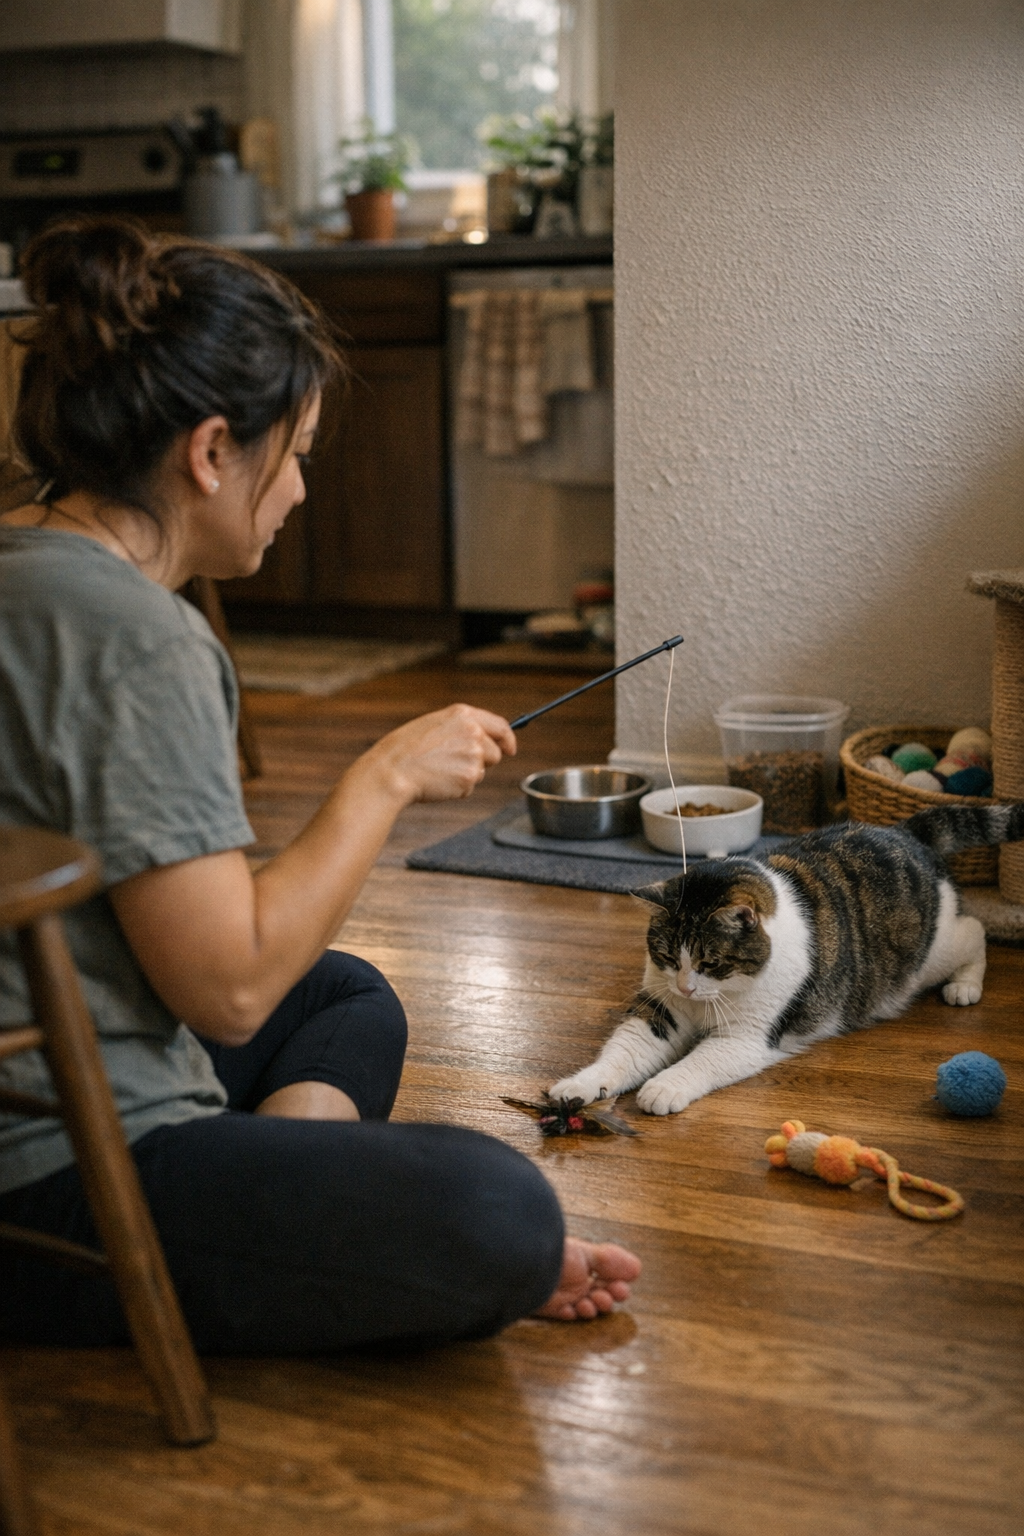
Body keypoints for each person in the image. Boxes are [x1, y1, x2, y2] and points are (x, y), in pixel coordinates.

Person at [0, 218, 639, 1352]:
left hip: (44, 1049)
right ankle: (292, 1227)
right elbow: (230, 993)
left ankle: (292, 1185)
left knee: (344, 992)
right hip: (56, 1163)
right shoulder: (135, 637)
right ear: (209, 454)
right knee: (502, 1211)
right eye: (292, 453)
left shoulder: (22, 562)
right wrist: (382, 777)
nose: (297, 489)